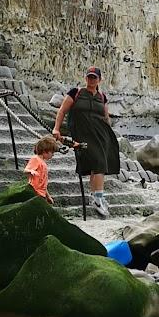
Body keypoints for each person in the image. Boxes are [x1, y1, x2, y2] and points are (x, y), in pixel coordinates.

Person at [54, 66, 120, 218]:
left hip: (101, 134)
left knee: (96, 164)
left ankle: (95, 196)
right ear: (85, 78)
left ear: (99, 80)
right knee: (98, 162)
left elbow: (106, 118)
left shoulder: (102, 97)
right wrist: (56, 129)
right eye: (89, 77)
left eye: (94, 77)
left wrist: (110, 135)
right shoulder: (75, 93)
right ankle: (98, 198)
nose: (91, 80)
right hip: (82, 133)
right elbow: (62, 111)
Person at [25, 133, 61, 203]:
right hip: (35, 191)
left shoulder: (42, 163)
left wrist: (48, 196)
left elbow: (43, 182)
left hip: (41, 193)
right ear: (45, 151)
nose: (53, 155)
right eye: (52, 152)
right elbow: (26, 170)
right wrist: (31, 171)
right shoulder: (35, 159)